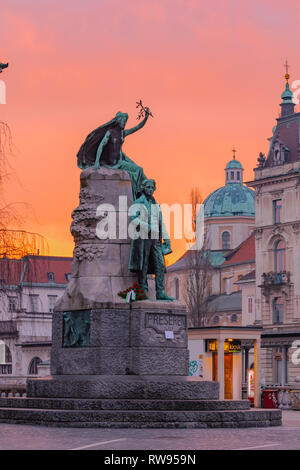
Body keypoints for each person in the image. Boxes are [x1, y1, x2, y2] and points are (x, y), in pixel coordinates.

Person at [77, 110, 150, 199]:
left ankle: (139, 194)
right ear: (118, 121)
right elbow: (101, 145)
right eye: (123, 121)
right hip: (111, 163)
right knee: (133, 173)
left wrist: (146, 117)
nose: (125, 123)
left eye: (126, 121)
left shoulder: (123, 133)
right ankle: (136, 194)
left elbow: (137, 127)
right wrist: (97, 162)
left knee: (139, 169)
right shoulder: (110, 132)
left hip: (120, 162)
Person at [128, 179, 174, 301]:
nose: (150, 189)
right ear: (143, 188)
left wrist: (166, 238)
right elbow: (133, 219)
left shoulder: (156, 205)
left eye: (152, 187)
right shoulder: (137, 203)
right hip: (143, 238)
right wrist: (147, 227)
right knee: (144, 263)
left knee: (160, 264)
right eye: (147, 187)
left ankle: (160, 291)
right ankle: (143, 289)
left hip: (156, 239)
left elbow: (161, 223)